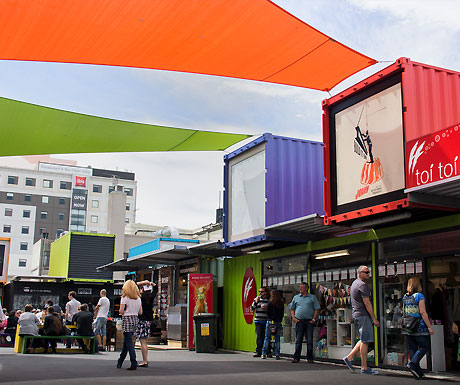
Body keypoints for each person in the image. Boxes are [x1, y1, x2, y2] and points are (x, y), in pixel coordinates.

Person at [343, 266, 380, 375]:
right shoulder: (362, 285)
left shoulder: (354, 283)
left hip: (357, 314)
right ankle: (364, 367)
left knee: (364, 338)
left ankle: (349, 357)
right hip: (363, 314)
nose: (368, 274)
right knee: (365, 341)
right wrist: (374, 318)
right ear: (359, 273)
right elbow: (367, 303)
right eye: (366, 272)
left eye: (369, 272)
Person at [402, 277, 434, 379]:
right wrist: (429, 326)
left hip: (408, 326)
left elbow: (404, 311)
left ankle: (418, 372)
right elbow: (423, 312)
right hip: (419, 326)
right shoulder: (419, 296)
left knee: (413, 348)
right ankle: (413, 363)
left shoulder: (405, 297)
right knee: (424, 347)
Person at [289, 282, 320, 363]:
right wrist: (293, 318)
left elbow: (317, 308)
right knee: (298, 339)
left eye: (302, 288)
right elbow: (292, 308)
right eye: (300, 287)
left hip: (309, 321)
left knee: (309, 339)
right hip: (299, 321)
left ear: (306, 288)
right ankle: (296, 357)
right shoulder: (296, 297)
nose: (300, 289)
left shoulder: (312, 297)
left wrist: (313, 319)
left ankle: (310, 358)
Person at [117, 280, 142, 370]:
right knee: (127, 341)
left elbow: (121, 311)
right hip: (135, 318)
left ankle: (133, 361)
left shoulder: (124, 298)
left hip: (127, 318)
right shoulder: (138, 298)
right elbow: (140, 312)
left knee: (129, 342)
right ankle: (120, 361)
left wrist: (122, 311)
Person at [136, 280, 157, 367]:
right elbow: (156, 288)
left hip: (141, 319)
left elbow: (133, 285)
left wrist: (143, 282)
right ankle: (145, 360)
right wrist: (152, 284)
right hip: (149, 320)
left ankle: (144, 361)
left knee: (142, 341)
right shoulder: (151, 297)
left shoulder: (140, 297)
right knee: (145, 341)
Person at [262, 290, 284, 360]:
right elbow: (282, 313)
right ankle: (277, 354)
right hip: (278, 322)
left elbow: (268, 312)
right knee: (277, 339)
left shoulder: (270, 303)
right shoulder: (281, 303)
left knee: (267, 338)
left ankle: (264, 353)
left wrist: (270, 319)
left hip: (270, 321)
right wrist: (279, 320)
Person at [250, 286, 270, 357]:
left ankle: (267, 352)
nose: (260, 293)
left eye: (262, 292)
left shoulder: (268, 300)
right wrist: (256, 302)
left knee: (266, 336)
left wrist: (266, 308)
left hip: (265, 320)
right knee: (259, 336)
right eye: (259, 292)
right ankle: (258, 351)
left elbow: (271, 309)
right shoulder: (256, 299)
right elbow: (252, 308)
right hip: (258, 320)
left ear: (265, 292)